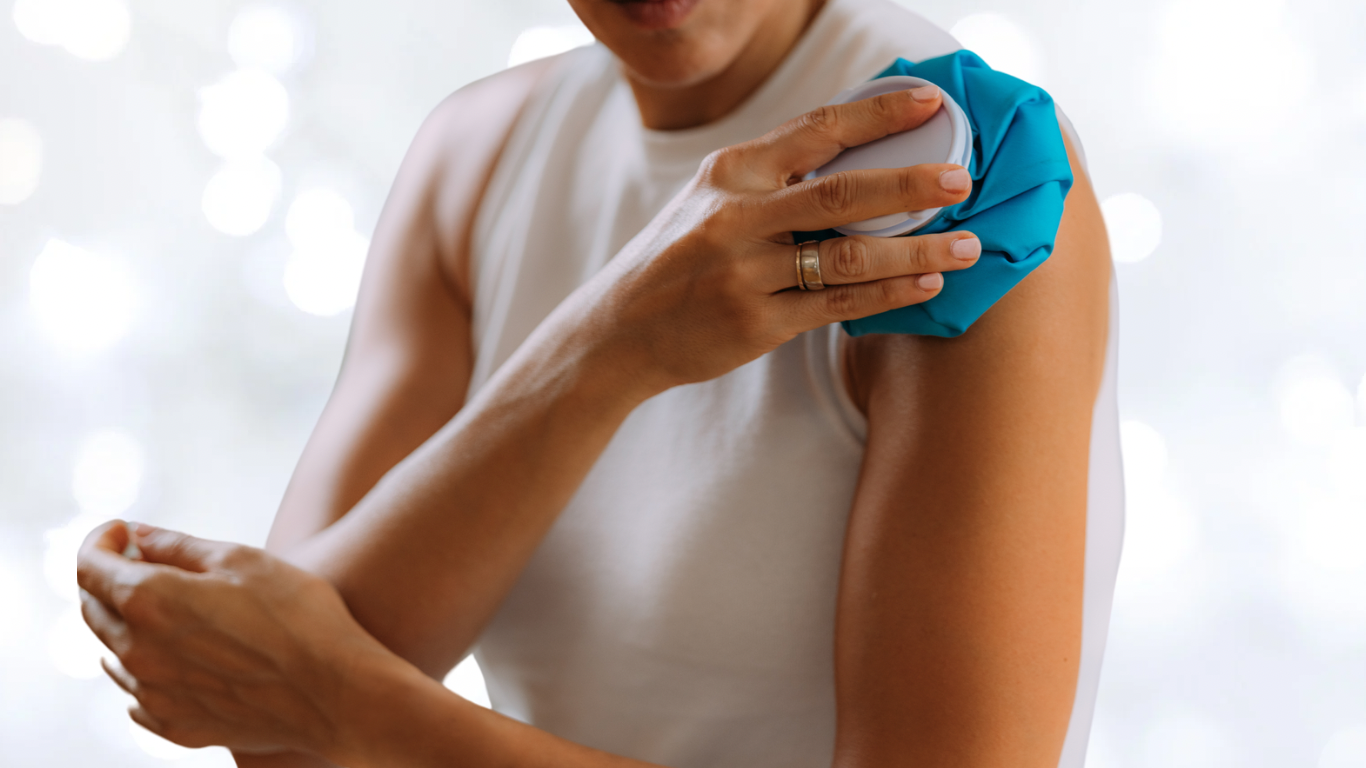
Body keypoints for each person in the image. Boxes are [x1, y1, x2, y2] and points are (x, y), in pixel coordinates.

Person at [76, 0, 1123, 766]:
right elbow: (270, 722)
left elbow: (306, 698)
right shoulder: (477, 156)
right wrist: (609, 343)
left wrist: (362, 713)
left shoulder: (953, 176)